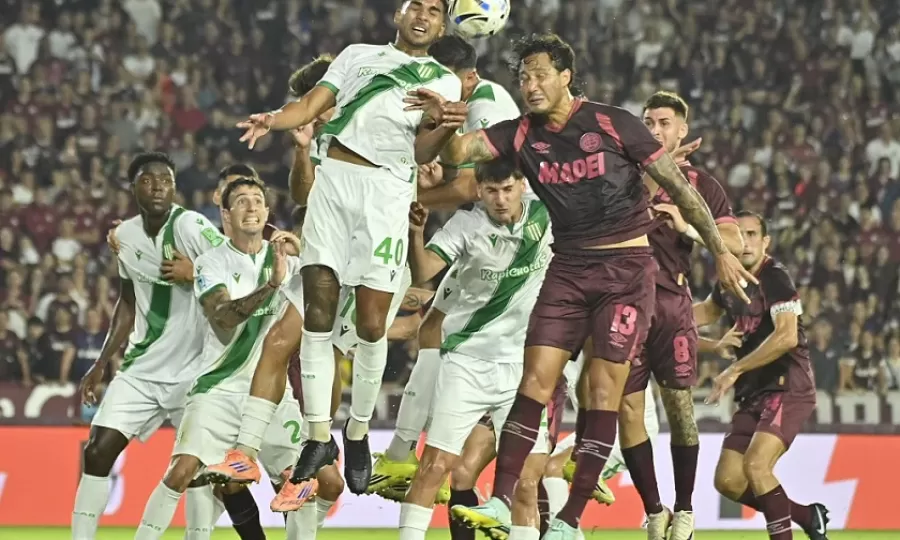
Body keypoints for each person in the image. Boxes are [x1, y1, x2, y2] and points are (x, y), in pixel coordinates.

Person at [427, 33, 756, 540]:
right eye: (523, 77)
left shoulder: (613, 123)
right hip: (567, 267)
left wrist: (721, 251)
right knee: (534, 381)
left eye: (539, 74)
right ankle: (497, 500)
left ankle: (570, 519)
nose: (530, 85)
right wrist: (444, 121)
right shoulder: (519, 134)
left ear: (564, 77)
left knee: (605, 393)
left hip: (625, 273)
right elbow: (459, 153)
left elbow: (681, 190)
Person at [234, 0, 465, 492]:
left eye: (434, 11)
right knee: (318, 310)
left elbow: (424, 152)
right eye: (415, 7)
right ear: (399, 15)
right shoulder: (356, 54)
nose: (423, 16)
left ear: (443, 25)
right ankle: (320, 435)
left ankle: (357, 430)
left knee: (370, 324)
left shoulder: (443, 82)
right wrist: (273, 119)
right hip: (334, 184)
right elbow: (311, 105)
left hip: (386, 193)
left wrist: (441, 122)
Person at [368, 34, 522, 509]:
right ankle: (399, 453)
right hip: (491, 227)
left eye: (443, 80)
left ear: (468, 79)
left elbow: (478, 185)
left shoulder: (487, 103)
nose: (432, 88)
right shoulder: (455, 108)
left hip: (515, 232)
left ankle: (399, 454)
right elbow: (454, 178)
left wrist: (406, 198)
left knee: (442, 326)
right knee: (433, 325)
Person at [398, 160, 555, 540]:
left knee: (527, 481)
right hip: (466, 362)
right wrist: (416, 234)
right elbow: (424, 272)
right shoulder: (466, 225)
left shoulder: (546, 213)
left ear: (521, 185)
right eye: (491, 191)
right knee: (435, 466)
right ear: (479, 192)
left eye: (507, 189)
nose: (500, 200)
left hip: (522, 368)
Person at [73, 152, 226, 540]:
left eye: (166, 179)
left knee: (196, 471)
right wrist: (101, 362)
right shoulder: (124, 236)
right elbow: (127, 302)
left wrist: (196, 273)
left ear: (174, 187)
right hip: (141, 368)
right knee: (96, 451)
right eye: (148, 179)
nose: (158, 185)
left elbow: (233, 264)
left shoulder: (191, 225)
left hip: (195, 371)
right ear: (133, 187)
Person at [615, 90, 745, 540]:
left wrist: (688, 224)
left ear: (682, 130)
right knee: (627, 409)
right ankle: (654, 511)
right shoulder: (623, 175)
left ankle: (685, 511)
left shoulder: (701, 184)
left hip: (672, 307)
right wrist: (651, 179)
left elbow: (735, 243)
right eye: (647, 121)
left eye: (663, 123)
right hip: (623, 306)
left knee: (680, 411)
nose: (653, 129)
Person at [694, 212, 830, 540]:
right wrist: (659, 311)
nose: (746, 242)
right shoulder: (729, 281)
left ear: (765, 242)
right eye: (739, 235)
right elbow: (703, 313)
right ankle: (807, 515)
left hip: (788, 388)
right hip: (753, 393)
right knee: (727, 480)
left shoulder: (775, 277)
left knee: (756, 466)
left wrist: (734, 369)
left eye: (753, 234)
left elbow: (787, 337)